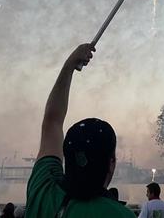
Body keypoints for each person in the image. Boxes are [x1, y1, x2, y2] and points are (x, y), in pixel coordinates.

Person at [25, 44, 135, 218]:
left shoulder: (43, 191)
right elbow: (51, 122)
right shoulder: (121, 215)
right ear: (111, 163)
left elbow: (52, 121)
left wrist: (69, 65)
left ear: (67, 157)